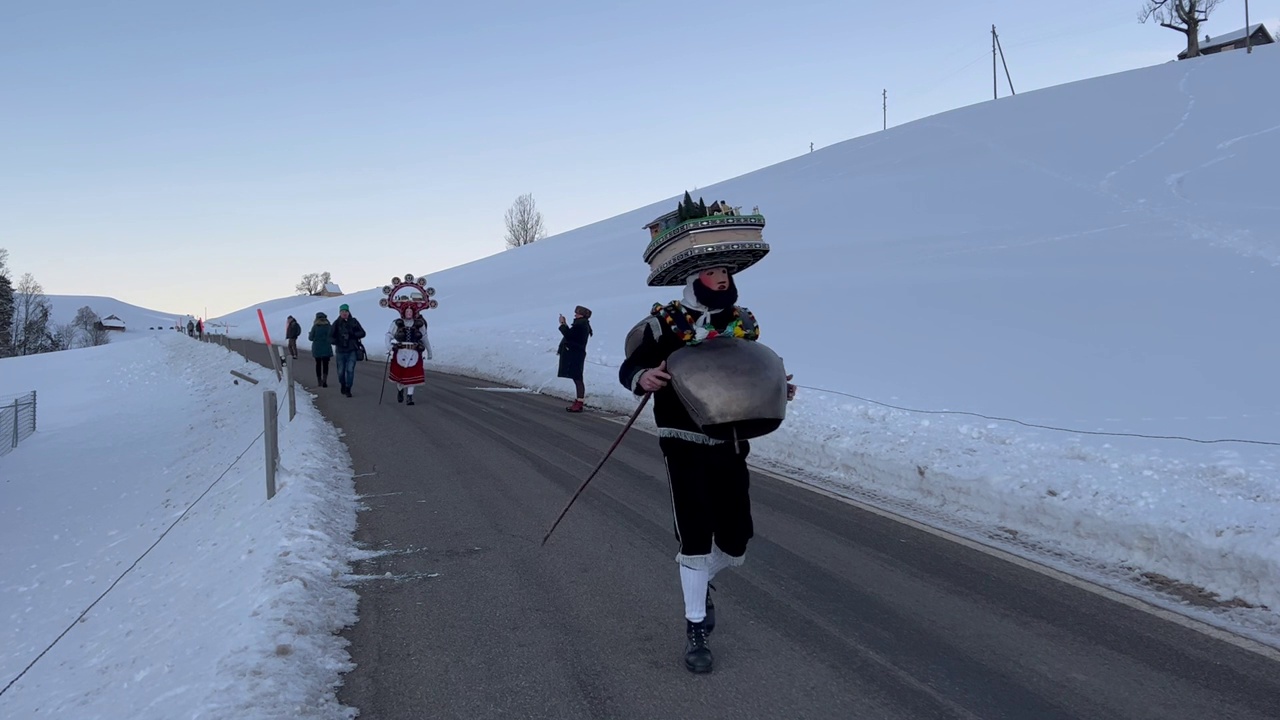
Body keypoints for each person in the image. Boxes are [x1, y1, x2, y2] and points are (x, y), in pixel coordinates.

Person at [618, 198, 795, 674]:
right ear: (695, 277)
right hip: (682, 438)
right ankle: (695, 624)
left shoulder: (742, 323)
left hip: (732, 440)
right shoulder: (665, 323)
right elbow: (629, 367)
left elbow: (746, 371)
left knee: (736, 542)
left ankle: (703, 579)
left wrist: (777, 386)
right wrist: (644, 378)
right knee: (695, 533)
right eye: (714, 271)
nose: (723, 278)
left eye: (727, 271)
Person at [385, 315, 431, 405]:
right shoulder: (397, 323)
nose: (409, 312)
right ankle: (400, 390)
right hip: (401, 352)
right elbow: (389, 335)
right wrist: (389, 347)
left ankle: (409, 397)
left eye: (411, 310)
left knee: (412, 374)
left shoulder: (419, 324)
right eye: (407, 310)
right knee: (400, 375)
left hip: (414, 352)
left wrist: (429, 351)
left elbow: (424, 338)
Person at [557, 306, 593, 412]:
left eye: (577, 313)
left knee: (577, 378)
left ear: (582, 315)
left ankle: (579, 402)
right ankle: (579, 401)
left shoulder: (581, 325)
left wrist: (563, 324)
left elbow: (570, 335)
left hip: (575, 354)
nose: (575, 315)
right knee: (577, 377)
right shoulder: (582, 324)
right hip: (576, 354)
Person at [330, 303, 367, 397]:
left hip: (352, 350)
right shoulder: (336, 323)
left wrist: (352, 334)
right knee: (340, 372)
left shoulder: (354, 321)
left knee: (350, 370)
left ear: (348, 312)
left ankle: (348, 388)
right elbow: (330, 337)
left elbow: (362, 333)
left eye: (346, 311)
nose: (344, 313)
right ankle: (342, 384)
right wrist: (336, 341)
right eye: (342, 311)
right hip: (340, 351)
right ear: (339, 313)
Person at [309, 312, 333, 387]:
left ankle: (319, 381)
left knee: (318, 364)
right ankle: (325, 380)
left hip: (317, 348)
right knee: (326, 364)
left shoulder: (315, 327)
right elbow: (332, 335)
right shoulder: (328, 326)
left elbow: (311, 338)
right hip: (326, 347)